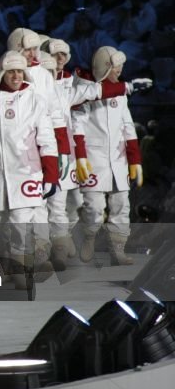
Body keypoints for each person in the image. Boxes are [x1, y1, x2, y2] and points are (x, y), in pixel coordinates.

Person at [0, 52, 60, 288]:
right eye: (11, 72)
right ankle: (3, 265)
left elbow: (47, 141)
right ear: (2, 74)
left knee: (20, 223)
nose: (16, 76)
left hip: (27, 173)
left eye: (19, 71)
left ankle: (21, 267)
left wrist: (51, 175)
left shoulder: (36, 101)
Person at [73, 47, 142, 265]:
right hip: (94, 159)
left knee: (122, 205)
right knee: (93, 207)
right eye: (115, 67)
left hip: (118, 158)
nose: (120, 71)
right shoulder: (84, 91)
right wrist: (81, 157)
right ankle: (90, 238)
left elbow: (128, 126)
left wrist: (135, 160)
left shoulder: (120, 93)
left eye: (121, 67)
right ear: (104, 67)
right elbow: (78, 127)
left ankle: (117, 250)